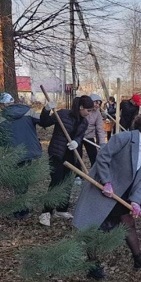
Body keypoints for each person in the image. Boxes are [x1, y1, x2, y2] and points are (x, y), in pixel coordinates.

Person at [72, 116, 141, 279]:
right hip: (103, 191)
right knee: (94, 227)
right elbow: (103, 158)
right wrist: (106, 181)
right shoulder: (123, 138)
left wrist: (136, 201)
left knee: (129, 223)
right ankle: (93, 267)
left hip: (122, 193)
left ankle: (139, 260)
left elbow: (140, 178)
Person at [38, 95, 94, 226]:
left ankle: (61, 209)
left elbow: (80, 136)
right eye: (88, 110)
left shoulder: (84, 122)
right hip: (57, 153)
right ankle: (46, 212)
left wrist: (76, 141)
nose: (90, 113)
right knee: (56, 181)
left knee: (68, 182)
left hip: (72, 155)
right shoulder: (62, 114)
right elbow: (44, 123)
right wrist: (46, 110)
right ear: (81, 107)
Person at [0, 92, 43, 219]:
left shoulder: (2, 117)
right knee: (24, 180)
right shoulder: (28, 110)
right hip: (30, 150)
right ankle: (23, 207)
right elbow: (42, 121)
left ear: (4, 104)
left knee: (17, 181)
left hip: (15, 153)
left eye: (0, 105)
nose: (0, 107)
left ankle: (21, 211)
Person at [79, 94, 107, 166]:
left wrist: (102, 142)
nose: (97, 105)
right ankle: (77, 175)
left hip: (89, 136)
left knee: (93, 156)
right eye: (96, 103)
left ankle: (94, 173)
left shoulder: (97, 113)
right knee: (77, 156)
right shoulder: (82, 110)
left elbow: (100, 128)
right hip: (78, 135)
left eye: (99, 103)